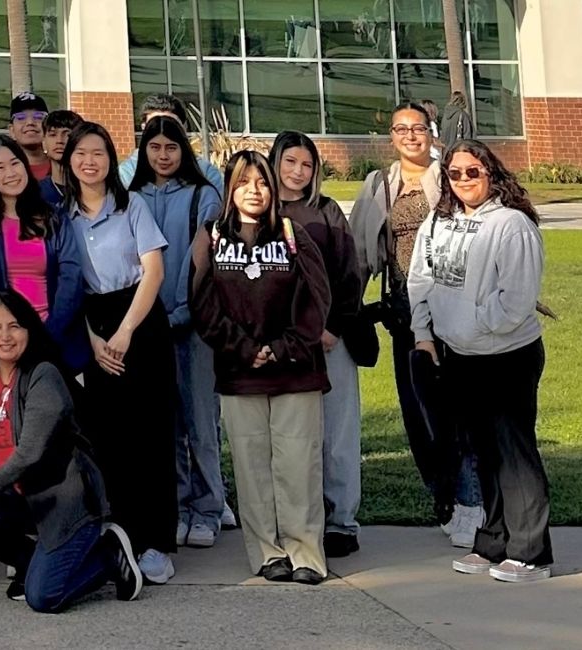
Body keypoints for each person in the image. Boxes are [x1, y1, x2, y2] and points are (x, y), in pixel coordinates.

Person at [0, 290, 147, 612]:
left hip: (64, 501)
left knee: (43, 598)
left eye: (14, 326)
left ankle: (108, 553)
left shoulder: (44, 375)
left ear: (29, 329)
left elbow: (29, 453)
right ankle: (32, 566)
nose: (5, 336)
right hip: (19, 498)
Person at [412, 140, 552, 584]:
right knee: (484, 454)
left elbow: (517, 301)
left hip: (507, 355)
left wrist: (471, 325)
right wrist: (425, 332)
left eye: (473, 172)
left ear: (491, 174)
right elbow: (421, 278)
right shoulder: (439, 223)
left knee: (514, 453)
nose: (464, 181)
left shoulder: (512, 225)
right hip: (461, 355)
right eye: (455, 174)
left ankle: (531, 553)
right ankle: (492, 541)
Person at [192, 150, 333, 585]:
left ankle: (305, 552)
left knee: (297, 464)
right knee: (253, 468)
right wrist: (244, 348)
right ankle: (268, 552)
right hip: (241, 372)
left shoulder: (292, 234)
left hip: (294, 368)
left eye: (262, 182)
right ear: (229, 189)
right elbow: (202, 302)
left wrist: (280, 347)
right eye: (243, 182)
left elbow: (317, 298)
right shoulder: (212, 236)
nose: (254, 191)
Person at [53, 122, 182, 585]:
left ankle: (157, 543)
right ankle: (122, 535)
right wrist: (91, 339)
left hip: (140, 322)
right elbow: (66, 285)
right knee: (110, 439)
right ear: (69, 161)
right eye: (81, 154)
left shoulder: (132, 206)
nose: (90, 162)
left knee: (151, 436)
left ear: (112, 159)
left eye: (99, 153)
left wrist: (126, 330)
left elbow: (154, 271)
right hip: (92, 324)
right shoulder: (61, 215)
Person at [349, 102, 479, 547]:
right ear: (391, 136)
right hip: (404, 316)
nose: (410, 136)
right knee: (419, 418)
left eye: (418, 128)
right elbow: (359, 254)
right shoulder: (377, 185)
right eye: (401, 129)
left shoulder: (449, 178)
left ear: (431, 132)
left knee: (457, 413)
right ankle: (443, 497)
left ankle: (470, 500)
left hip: (453, 312)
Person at [127, 117, 226, 550]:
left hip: (193, 325)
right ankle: (179, 504)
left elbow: (200, 260)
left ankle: (208, 507)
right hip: (147, 327)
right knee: (164, 423)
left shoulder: (203, 195)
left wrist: (183, 310)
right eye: (154, 147)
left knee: (200, 420)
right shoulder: (131, 197)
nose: (163, 155)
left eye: (171, 147)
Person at [270, 131, 368, 558]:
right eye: (290, 161)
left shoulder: (326, 212)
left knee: (337, 435)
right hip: (282, 345)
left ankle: (342, 520)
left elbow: (350, 274)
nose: (297, 171)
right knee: (289, 438)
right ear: (274, 163)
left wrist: (335, 327)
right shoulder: (259, 211)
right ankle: (293, 520)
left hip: (329, 341)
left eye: (306, 165)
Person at [0, 134, 79, 326]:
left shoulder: (54, 218)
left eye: (15, 163)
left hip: (53, 333)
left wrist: (52, 331)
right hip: (5, 338)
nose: (11, 173)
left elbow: (71, 278)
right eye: (0, 168)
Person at [118, 94, 226, 189]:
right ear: (143, 128)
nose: (162, 131)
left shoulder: (207, 174)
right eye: (154, 125)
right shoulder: (125, 174)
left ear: (184, 128)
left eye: (171, 126)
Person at [37, 110, 83, 207]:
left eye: (67, 135)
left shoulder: (93, 190)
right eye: (53, 135)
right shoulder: (35, 193)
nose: (59, 141)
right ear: (43, 142)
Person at [7, 93, 54, 182]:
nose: (30, 122)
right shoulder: (4, 171)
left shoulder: (63, 167)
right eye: (21, 117)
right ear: (12, 130)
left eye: (38, 117)